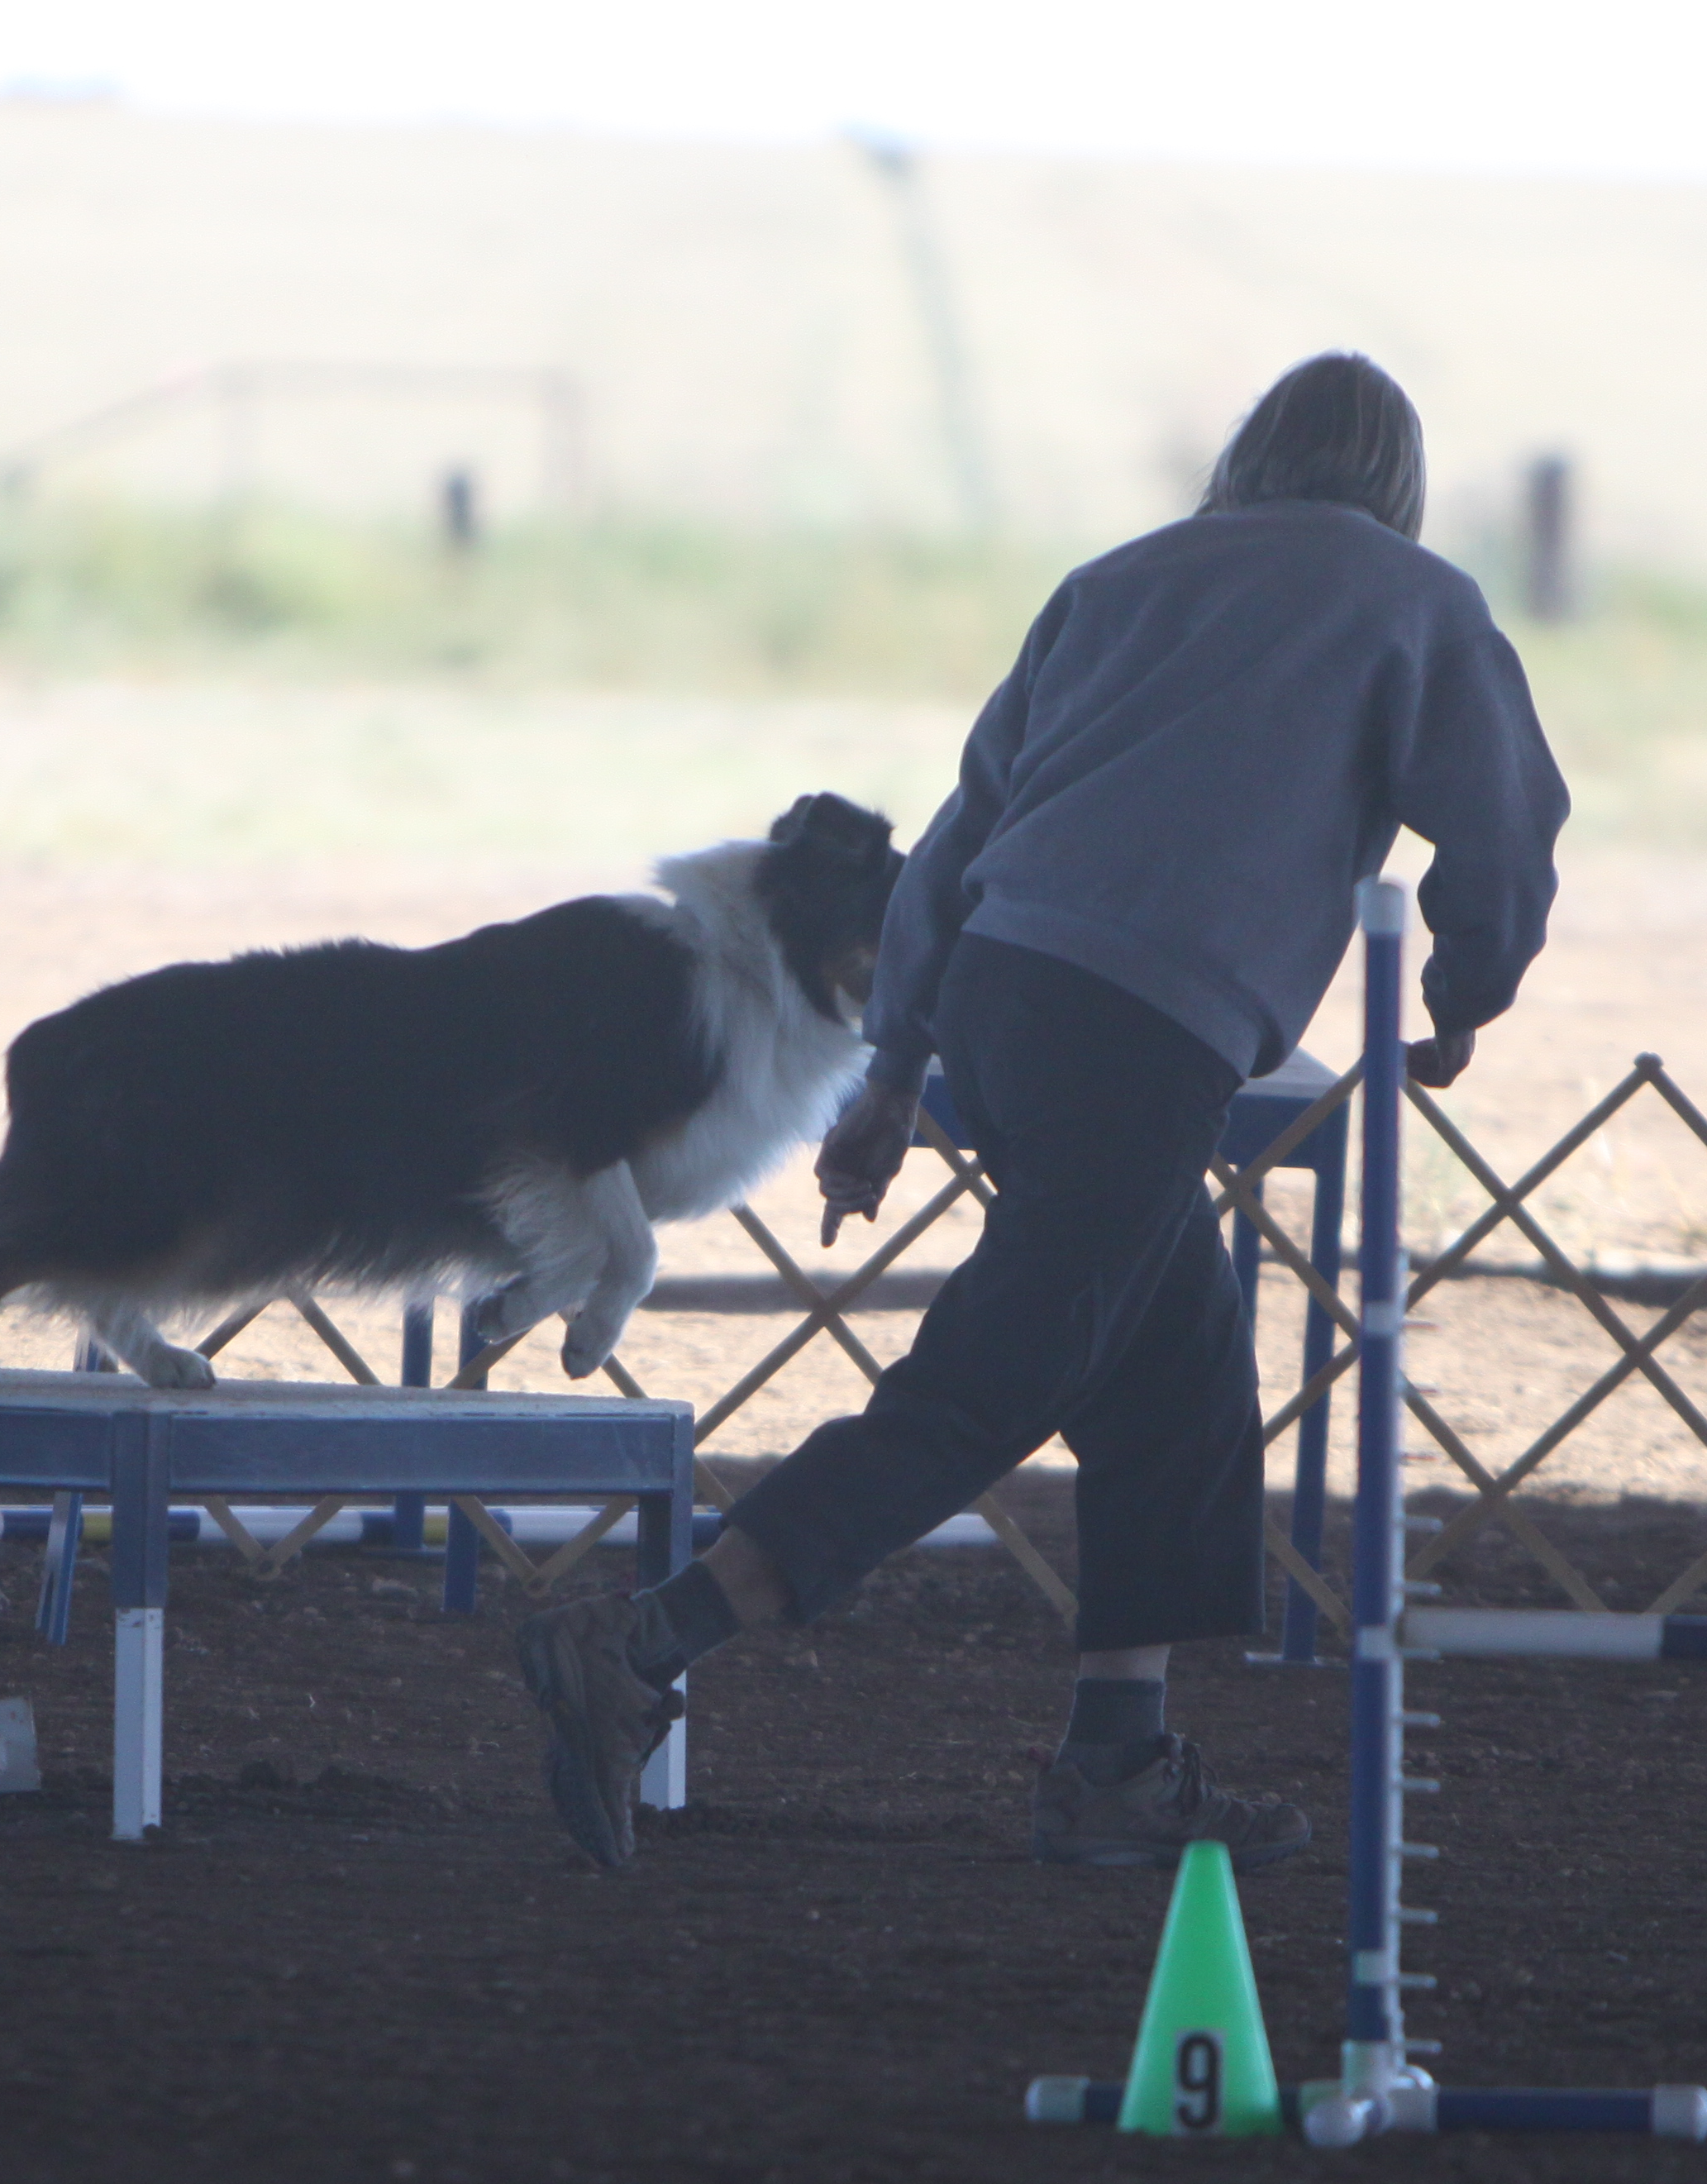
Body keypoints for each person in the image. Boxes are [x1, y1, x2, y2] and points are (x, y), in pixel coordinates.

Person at [517, 350, 1567, 1871]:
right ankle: (643, 1642)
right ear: (1397, 480)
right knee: (988, 1383)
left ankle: (1117, 1766)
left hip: (1005, 997)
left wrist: (895, 1070)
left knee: (1177, 1367)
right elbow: (1504, 824)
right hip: (1144, 1030)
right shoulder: (1416, 601)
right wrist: (1467, 993)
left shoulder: (1117, 581)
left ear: (1250, 454)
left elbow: (966, 830)